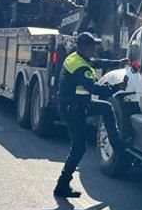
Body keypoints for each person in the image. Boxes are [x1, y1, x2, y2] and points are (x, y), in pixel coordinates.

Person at [54, 31, 127, 198]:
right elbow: (95, 89)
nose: (95, 48)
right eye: (93, 45)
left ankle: (116, 143)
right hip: (74, 109)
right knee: (79, 147)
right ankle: (62, 185)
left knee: (106, 108)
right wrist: (118, 87)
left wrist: (117, 62)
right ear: (84, 47)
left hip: (77, 105)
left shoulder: (76, 58)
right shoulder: (80, 67)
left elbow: (96, 62)